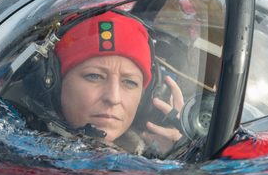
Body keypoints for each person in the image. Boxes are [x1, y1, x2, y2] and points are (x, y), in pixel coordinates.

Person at [52, 10, 185, 156]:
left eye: (130, 82)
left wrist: (180, 153)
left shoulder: (152, 159)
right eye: (94, 76)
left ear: (144, 97)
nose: (113, 98)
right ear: (55, 81)